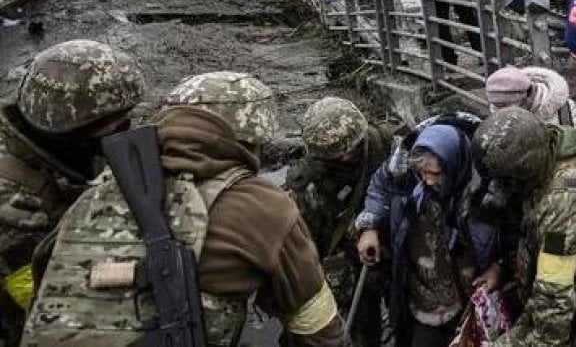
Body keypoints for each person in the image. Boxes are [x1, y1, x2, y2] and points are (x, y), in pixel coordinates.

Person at [25, 71, 349, 346]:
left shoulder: (99, 189)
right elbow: (316, 326)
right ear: (253, 137)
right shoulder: (262, 206)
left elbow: (43, 272)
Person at [0, 40, 145, 343]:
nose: (126, 130)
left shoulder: (52, 144)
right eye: (114, 126)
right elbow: (38, 298)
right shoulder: (12, 196)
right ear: (68, 128)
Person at [472, 107, 576, 347]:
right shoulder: (555, 143)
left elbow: (554, 307)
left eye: (506, 181)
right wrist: (503, 266)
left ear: (525, 170)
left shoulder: (562, 209)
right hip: (567, 271)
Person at [355, 114, 498, 347]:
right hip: (425, 296)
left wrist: (498, 266)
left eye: (436, 174)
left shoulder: (488, 186)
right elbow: (379, 188)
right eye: (424, 174)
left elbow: (514, 230)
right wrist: (369, 226)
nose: (428, 182)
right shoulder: (403, 172)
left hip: (470, 294)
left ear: (455, 165)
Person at [289, 97, 392, 347]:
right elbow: (307, 239)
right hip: (341, 256)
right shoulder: (308, 183)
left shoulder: (384, 145)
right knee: (357, 322)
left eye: (352, 150)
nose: (346, 157)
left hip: (386, 242)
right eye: (337, 155)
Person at [484, 66, 576, 148]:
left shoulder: (563, 110)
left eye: (504, 105)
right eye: (496, 105)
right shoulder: (499, 115)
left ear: (524, 98)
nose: (500, 110)